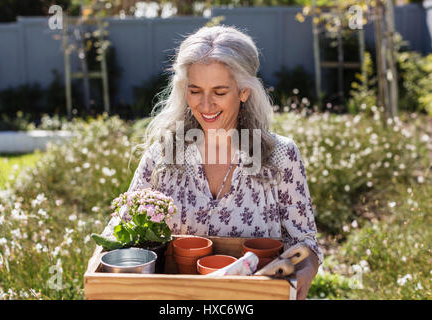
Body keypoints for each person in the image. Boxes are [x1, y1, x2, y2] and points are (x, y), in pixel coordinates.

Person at [102, 25, 323, 299]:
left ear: (243, 91)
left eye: (219, 92)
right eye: (195, 91)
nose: (205, 106)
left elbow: (304, 243)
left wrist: (306, 270)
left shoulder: (280, 156)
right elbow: (121, 230)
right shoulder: (162, 155)